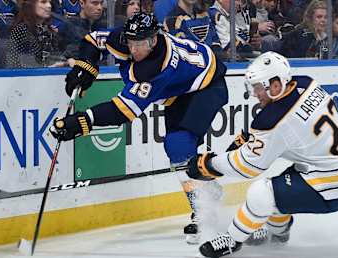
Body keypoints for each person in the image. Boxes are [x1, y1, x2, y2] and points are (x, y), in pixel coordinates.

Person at [49, 12, 229, 245]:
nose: (133, 49)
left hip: (207, 85)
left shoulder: (156, 68)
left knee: (179, 145)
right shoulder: (125, 39)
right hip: (179, 91)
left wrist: (83, 121)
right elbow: (93, 41)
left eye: (140, 44)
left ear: (154, 40)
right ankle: (208, 189)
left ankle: (204, 208)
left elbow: (122, 111)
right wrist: (86, 67)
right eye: (131, 42)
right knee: (177, 152)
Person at [186, 51, 338, 258]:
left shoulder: (274, 120)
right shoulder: (305, 83)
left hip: (337, 182)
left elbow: (248, 166)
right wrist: (250, 136)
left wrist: (209, 164)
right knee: (281, 187)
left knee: (261, 193)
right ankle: (280, 233)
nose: (255, 93)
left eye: (258, 87)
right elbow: (283, 121)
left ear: (275, 85)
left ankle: (231, 240)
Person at [5, 0, 64, 68]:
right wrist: (46, 67)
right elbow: (13, 63)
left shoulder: (48, 31)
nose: (49, 6)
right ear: (31, 5)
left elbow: (56, 57)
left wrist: (66, 61)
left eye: (50, 2)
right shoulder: (21, 29)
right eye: (43, 2)